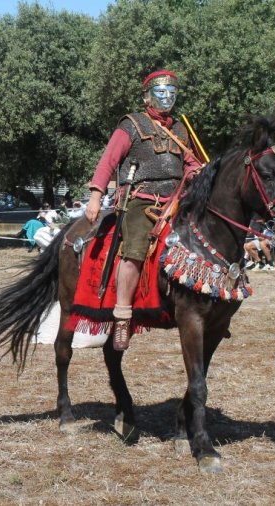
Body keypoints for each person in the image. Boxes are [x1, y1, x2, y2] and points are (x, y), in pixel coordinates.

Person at [85, 69, 202, 351]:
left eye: (172, 93)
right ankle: (123, 314)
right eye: (161, 92)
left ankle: (207, 308)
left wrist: (199, 171)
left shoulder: (181, 130)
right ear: (148, 96)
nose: (167, 98)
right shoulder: (131, 125)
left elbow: (190, 164)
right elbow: (108, 161)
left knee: (204, 241)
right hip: (141, 199)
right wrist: (96, 196)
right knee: (135, 249)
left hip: (177, 200)